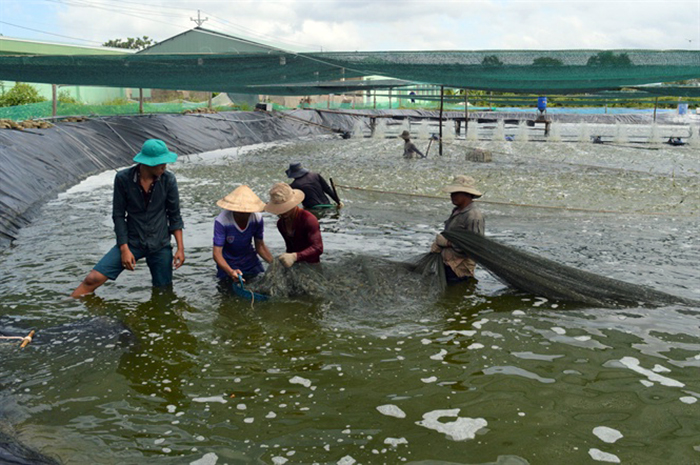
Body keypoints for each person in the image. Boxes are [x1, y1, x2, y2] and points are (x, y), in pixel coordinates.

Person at [71, 139, 184, 297]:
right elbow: (118, 215)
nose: (164, 166)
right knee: (92, 279)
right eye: (160, 163)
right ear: (148, 163)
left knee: (163, 291)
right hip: (132, 241)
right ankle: (69, 311)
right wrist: (124, 249)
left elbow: (174, 215)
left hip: (160, 243)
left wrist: (180, 248)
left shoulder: (168, 180)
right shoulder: (123, 179)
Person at [213, 185, 273, 282]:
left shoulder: (257, 218)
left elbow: (260, 246)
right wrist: (230, 271)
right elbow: (217, 254)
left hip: (250, 261)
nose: (244, 214)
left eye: (248, 212)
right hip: (228, 263)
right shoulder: (222, 221)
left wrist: (274, 264)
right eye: (240, 212)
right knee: (227, 291)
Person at [430, 175, 485, 283]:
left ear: (467, 194)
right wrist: (438, 245)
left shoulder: (473, 216)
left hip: (459, 269)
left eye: (456, 193)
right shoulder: (457, 210)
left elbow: (474, 247)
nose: (452, 196)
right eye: (452, 193)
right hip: (447, 263)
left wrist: (447, 243)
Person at [264, 182, 323, 268]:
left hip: (312, 265)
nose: (282, 212)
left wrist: (295, 256)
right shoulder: (281, 224)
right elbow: (290, 248)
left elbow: (318, 248)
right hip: (294, 264)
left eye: (285, 208)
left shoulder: (308, 219)